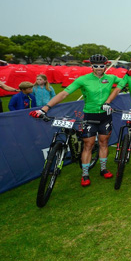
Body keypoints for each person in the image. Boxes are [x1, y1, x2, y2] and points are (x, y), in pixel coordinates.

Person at [30, 54, 119, 187]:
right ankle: (85, 174)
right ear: (91, 66)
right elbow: (64, 93)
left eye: (102, 66)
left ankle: (103, 168)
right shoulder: (83, 79)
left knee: (104, 142)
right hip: (90, 115)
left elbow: (128, 81)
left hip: (105, 116)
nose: (99, 68)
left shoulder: (111, 78)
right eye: (96, 66)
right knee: (88, 144)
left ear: (106, 66)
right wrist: (45, 109)